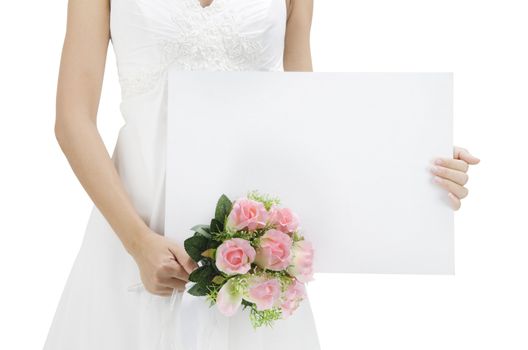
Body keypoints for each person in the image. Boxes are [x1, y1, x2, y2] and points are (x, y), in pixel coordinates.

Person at [45, 0, 479, 349]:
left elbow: (305, 115)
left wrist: (418, 164)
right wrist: (137, 242)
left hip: (255, 240)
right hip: (132, 227)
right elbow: (72, 118)